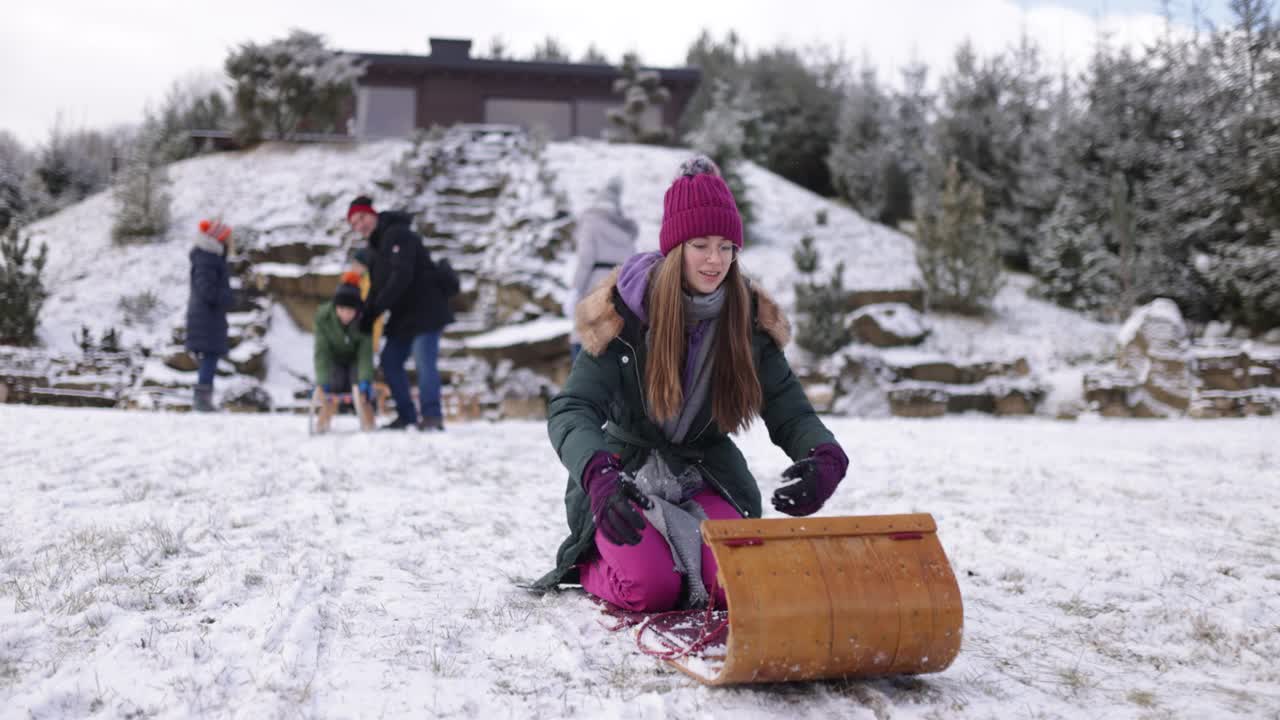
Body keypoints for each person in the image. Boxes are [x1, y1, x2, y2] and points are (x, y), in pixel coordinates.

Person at [533, 157, 850, 612]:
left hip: (705, 473)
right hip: (624, 479)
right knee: (652, 588)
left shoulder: (748, 320)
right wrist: (598, 475)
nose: (715, 260)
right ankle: (591, 563)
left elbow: (788, 407)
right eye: (701, 244)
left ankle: (682, 557)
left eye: (726, 246)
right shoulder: (625, 313)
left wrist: (825, 455)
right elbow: (572, 407)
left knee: (735, 586)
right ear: (675, 247)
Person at [346, 195, 454, 431]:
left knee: (424, 362)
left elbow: (401, 277)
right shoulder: (373, 249)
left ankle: (432, 417)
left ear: (372, 214)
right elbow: (375, 288)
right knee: (390, 361)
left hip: (426, 310)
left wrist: (375, 310)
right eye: (353, 223)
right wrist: (365, 316)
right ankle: (406, 416)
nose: (359, 225)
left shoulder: (398, 235)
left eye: (361, 217)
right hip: (403, 316)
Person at [570, 176, 637, 360]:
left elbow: (585, 258)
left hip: (593, 288)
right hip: (620, 291)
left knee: (585, 339)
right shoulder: (626, 231)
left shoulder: (591, 221)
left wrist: (575, 290)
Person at [313, 271, 376, 432]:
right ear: (336, 307)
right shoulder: (323, 317)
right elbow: (322, 352)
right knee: (333, 385)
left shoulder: (365, 320)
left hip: (356, 359)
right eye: (342, 310)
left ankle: (369, 424)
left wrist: (365, 380)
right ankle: (322, 423)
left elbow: (365, 355)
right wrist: (322, 381)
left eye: (351, 311)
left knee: (361, 390)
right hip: (335, 359)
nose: (346, 315)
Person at [186, 219, 235, 412]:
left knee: (210, 357)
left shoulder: (209, 258)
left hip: (208, 316)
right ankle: (202, 401)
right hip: (206, 317)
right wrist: (226, 297)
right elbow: (206, 289)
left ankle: (204, 400)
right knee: (209, 356)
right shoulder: (207, 259)